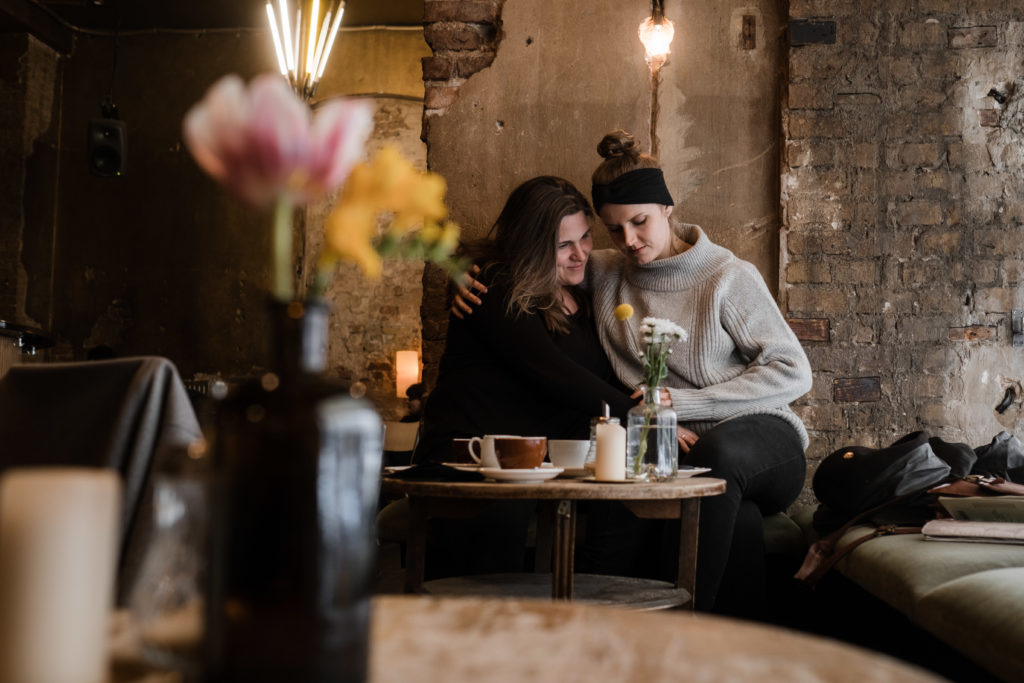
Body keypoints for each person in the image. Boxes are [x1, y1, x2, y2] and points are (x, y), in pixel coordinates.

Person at [454, 131, 812, 615]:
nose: (629, 241)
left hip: (760, 438)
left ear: (667, 207)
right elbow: (532, 257)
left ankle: (678, 629)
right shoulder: (604, 271)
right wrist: (466, 277)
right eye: (613, 229)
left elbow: (793, 371)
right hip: (667, 449)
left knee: (718, 455)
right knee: (734, 518)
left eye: (640, 222)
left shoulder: (728, 277)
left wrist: (674, 405)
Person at [413, 175, 635, 577]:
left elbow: (600, 377)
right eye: (563, 245)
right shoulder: (494, 284)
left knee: (629, 503)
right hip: (470, 457)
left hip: (539, 464)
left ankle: (594, 615)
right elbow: (552, 372)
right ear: (532, 246)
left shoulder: (582, 297)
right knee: (503, 517)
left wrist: (653, 404)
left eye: (585, 238)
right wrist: (641, 413)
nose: (580, 254)